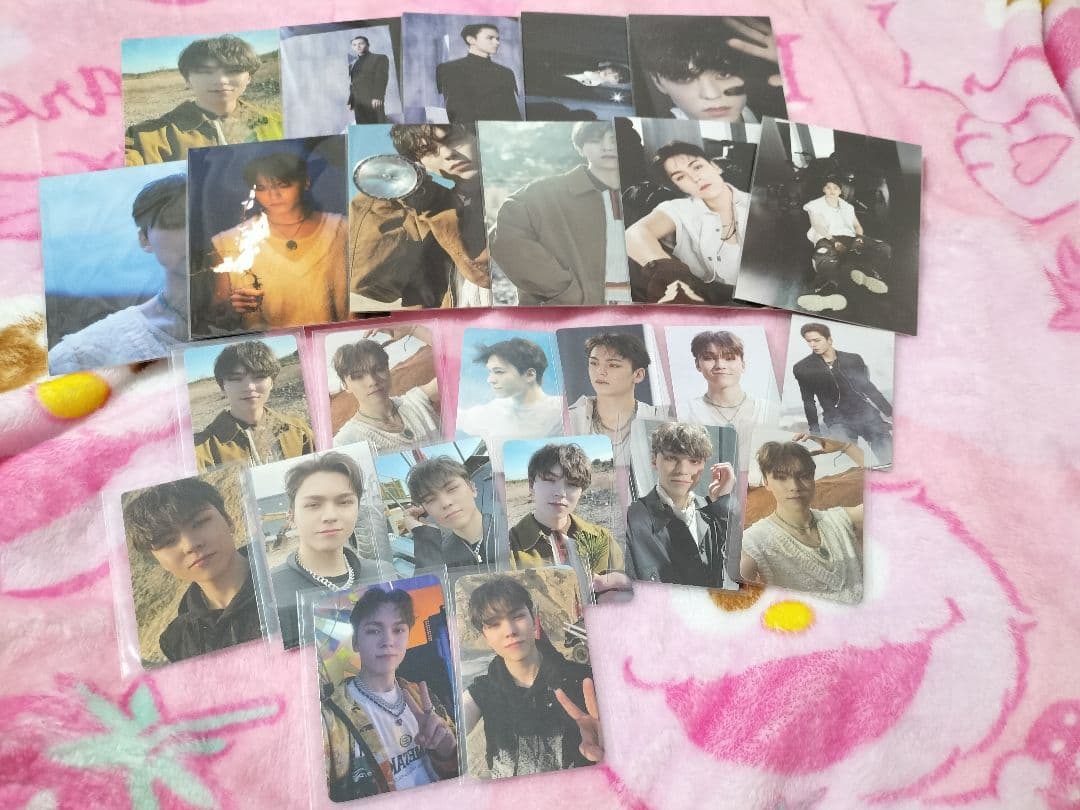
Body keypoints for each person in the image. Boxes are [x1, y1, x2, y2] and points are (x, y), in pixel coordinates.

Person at [461, 575, 603, 777]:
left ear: (533, 619)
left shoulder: (584, 681)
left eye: (517, 616)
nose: (510, 631)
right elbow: (452, 731)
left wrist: (609, 744)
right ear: (485, 636)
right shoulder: (482, 693)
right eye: (494, 624)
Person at [322, 588, 458, 799]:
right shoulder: (331, 719)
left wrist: (447, 752)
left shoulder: (421, 696)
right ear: (356, 641)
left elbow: (460, 773)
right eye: (374, 631)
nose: (388, 640)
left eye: (398, 630)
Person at [48, 174, 190, 374]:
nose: (197, 232)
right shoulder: (83, 355)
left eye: (212, 217)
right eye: (174, 220)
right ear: (145, 239)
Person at [349, 123, 491, 310]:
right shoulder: (423, 215)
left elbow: (488, 274)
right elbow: (366, 282)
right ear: (421, 164)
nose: (448, 153)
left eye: (454, 139)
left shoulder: (519, 195)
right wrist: (384, 190)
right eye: (428, 151)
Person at [203, 152, 347, 335]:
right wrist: (234, 307)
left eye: (282, 185)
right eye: (262, 188)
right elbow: (218, 315)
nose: (273, 195)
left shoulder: (343, 229)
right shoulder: (230, 242)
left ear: (306, 181)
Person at [123, 476, 262, 662]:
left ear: (228, 520)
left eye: (199, 523)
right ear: (158, 561)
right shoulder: (178, 640)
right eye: (168, 541)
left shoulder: (284, 579)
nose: (189, 545)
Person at [490, 121, 626, 306]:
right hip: (565, 315)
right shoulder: (546, 193)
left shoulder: (643, 196)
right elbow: (504, 236)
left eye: (614, 140)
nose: (607, 147)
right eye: (595, 140)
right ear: (580, 147)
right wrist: (564, 290)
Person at [125, 35, 284, 166]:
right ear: (187, 80)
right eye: (206, 72)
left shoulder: (277, 122)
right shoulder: (145, 137)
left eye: (234, 70)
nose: (221, 80)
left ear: (249, 77)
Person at [270, 452, 376, 648]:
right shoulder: (269, 592)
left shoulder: (382, 573)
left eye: (344, 502)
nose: (330, 516)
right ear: (291, 516)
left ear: (358, 509)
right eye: (313, 505)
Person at [740, 438, 864, 604]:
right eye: (781, 477)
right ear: (766, 482)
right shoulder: (754, 542)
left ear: (813, 479)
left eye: (803, 476)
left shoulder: (840, 520)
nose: (795, 486)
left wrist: (846, 446)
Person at [626, 141, 749, 305]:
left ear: (715, 167)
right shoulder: (679, 209)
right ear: (678, 187)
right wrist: (674, 278)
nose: (695, 178)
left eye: (697, 167)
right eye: (680, 177)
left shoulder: (758, 203)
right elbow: (634, 234)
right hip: (706, 302)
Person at [508, 443, 631, 604]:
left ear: (582, 490)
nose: (560, 492)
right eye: (550, 480)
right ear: (532, 485)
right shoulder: (509, 547)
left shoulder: (602, 539)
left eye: (572, 484)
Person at [625, 422, 736, 587]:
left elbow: (737, 569)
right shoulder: (629, 523)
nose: (682, 470)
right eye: (671, 458)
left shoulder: (714, 511)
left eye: (694, 460)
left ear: (704, 465)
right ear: (654, 460)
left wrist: (723, 502)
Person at [193, 339, 314, 472]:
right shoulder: (200, 450)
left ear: (272, 382)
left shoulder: (298, 431)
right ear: (222, 386)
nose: (249, 387)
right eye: (236, 378)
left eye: (259, 376)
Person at [632, 17, 784, 121]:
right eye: (685, 77)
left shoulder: (779, 111)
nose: (711, 95)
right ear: (658, 82)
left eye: (724, 73)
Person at [792, 322, 893, 466]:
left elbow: (868, 388)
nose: (813, 345)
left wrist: (889, 412)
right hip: (836, 419)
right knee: (848, 458)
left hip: (865, 414)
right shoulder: (803, 368)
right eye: (809, 341)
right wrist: (815, 431)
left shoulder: (853, 359)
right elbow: (808, 401)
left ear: (829, 340)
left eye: (817, 340)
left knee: (890, 458)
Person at [679, 330, 772, 471]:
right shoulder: (684, 414)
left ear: (743, 364)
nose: (720, 365)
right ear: (698, 364)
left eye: (729, 358)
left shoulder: (769, 411)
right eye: (709, 358)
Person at [797, 177, 892, 314]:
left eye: (835, 188)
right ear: (824, 189)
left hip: (850, 237)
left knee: (884, 248)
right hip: (827, 238)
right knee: (824, 256)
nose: (832, 190)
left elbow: (857, 226)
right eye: (828, 187)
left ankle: (868, 274)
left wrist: (859, 238)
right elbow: (817, 225)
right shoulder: (815, 205)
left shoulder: (848, 207)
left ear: (840, 191)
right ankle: (827, 292)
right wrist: (834, 241)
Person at [567, 332, 670, 459]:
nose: (600, 371)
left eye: (613, 365)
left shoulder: (661, 421)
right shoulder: (570, 421)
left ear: (638, 375)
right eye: (594, 363)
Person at [331, 338, 440, 451]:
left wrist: (413, 330)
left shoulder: (416, 402)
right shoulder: (345, 443)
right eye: (358, 376)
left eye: (378, 369)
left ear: (388, 370)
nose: (372, 381)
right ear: (346, 385)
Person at [457, 338, 564, 443]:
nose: (490, 380)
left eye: (499, 372)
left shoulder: (561, 411)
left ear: (529, 375)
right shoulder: (494, 410)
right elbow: (459, 418)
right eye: (490, 372)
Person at [401, 456, 499, 569]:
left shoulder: (508, 532)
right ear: (424, 510)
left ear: (472, 488)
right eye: (431, 499)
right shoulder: (438, 557)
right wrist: (424, 536)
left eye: (452, 489)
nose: (445, 503)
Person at [435, 23, 522, 123]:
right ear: (471, 40)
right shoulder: (447, 69)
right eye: (490, 38)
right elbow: (442, 107)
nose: (497, 42)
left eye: (497, 39)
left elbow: (513, 113)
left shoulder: (506, 73)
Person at [347, 35, 390, 124]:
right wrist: (351, 100)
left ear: (368, 45)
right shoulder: (352, 64)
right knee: (363, 128)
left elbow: (381, 78)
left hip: (372, 100)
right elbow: (353, 83)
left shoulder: (379, 58)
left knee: (377, 126)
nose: (358, 46)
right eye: (354, 45)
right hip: (358, 103)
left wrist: (378, 97)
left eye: (361, 43)